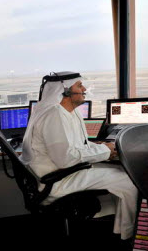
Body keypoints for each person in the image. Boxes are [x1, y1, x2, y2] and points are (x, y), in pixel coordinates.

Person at [20, 72, 137, 241]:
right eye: (79, 86)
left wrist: (105, 149)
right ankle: (127, 234)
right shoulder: (54, 115)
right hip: (57, 180)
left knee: (120, 170)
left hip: (64, 172)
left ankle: (119, 227)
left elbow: (79, 145)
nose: (84, 89)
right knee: (128, 181)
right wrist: (104, 151)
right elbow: (66, 158)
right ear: (65, 91)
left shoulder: (69, 113)